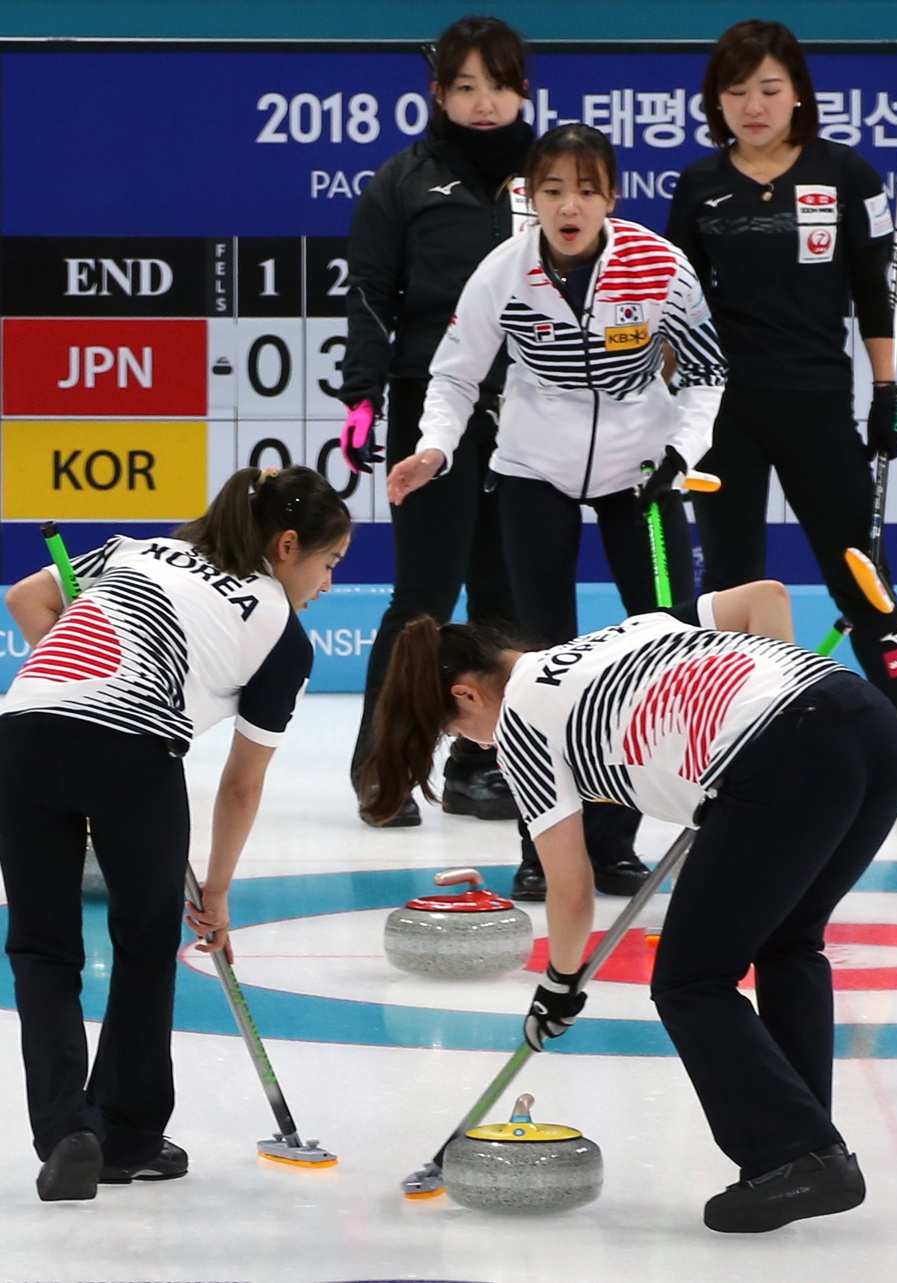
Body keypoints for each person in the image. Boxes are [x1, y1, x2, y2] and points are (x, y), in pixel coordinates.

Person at [360, 580, 897, 1232]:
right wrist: (774, 702)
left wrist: (559, 986)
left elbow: (569, 887)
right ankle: (801, 1136)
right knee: (788, 940)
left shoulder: (521, 724)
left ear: (467, 694)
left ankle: (799, 1154)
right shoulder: (621, 633)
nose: (479, 744)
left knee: (688, 979)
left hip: (789, 754)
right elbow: (766, 597)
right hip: (872, 723)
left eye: (462, 731)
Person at [387, 122, 727, 899]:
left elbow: (706, 373)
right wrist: (435, 447)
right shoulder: (503, 271)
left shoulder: (659, 265)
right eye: (551, 189)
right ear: (527, 196)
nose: (569, 205)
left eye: (586, 188)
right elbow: (454, 375)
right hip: (534, 470)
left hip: (642, 474)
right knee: (537, 670)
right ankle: (544, 847)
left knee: (667, 649)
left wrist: (682, 455)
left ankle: (614, 841)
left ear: (612, 194)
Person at [0, 465, 351, 1202]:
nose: (326, 583)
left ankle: (67, 1131)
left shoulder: (139, 547)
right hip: (131, 751)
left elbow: (26, 598)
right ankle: (125, 1138)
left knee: (41, 946)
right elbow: (241, 782)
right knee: (147, 940)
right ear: (288, 545)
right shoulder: (281, 634)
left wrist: (76, 688)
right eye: (329, 563)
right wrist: (216, 890)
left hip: (24, 732)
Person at [665, 17, 897, 801]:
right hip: (724, 414)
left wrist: (888, 389)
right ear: (716, 103)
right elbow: (676, 304)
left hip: (817, 404)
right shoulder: (700, 186)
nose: (754, 106)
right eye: (736, 93)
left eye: (769, 89)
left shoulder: (847, 176)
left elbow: (877, 291)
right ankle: (724, 745)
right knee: (731, 583)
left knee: (863, 577)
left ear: (797, 91)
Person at [339, 14, 535, 828]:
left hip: (534, 411)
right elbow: (370, 300)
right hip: (432, 412)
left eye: (498, 84)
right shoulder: (402, 182)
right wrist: (362, 399)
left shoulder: (548, 176)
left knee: (506, 596)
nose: (483, 103)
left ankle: (483, 763)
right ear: (438, 94)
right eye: (465, 87)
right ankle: (381, 764)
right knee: (423, 594)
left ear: (522, 90)